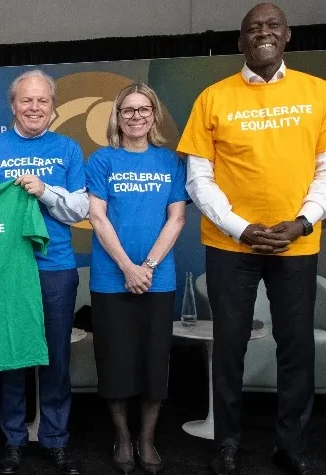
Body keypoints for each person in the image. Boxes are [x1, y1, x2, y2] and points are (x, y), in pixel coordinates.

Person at [175, 4, 326, 474]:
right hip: (230, 244)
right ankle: (227, 442)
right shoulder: (214, 97)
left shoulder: (320, 93)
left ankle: (291, 445)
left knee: (295, 345)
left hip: (296, 242)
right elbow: (198, 176)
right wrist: (240, 227)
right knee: (229, 344)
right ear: (241, 41)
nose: (263, 33)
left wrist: (302, 222)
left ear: (287, 35)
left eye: (272, 26)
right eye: (253, 28)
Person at [0, 69, 86, 475]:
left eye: (42, 101)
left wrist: (45, 191)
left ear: (53, 108)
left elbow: (81, 209)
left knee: (56, 357)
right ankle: (14, 440)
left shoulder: (69, 149)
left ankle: (55, 439)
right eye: (26, 100)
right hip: (5, 270)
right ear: (12, 105)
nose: (34, 108)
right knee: (12, 356)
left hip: (56, 266)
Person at [85, 84, 187, 475]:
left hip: (157, 281)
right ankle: (123, 438)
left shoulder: (170, 162)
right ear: (117, 116)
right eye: (127, 110)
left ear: (154, 115)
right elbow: (97, 217)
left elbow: (176, 218)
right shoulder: (102, 160)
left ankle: (146, 439)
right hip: (112, 281)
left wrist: (147, 266)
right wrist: (128, 268)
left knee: (153, 364)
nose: (136, 116)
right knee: (115, 363)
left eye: (143, 110)